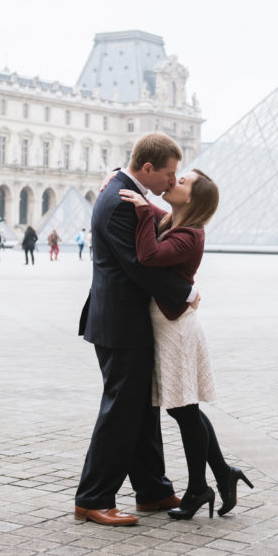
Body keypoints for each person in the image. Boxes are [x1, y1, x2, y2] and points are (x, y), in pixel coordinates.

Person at [74, 132, 198, 527]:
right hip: (120, 322)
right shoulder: (121, 201)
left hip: (125, 319)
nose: (171, 182)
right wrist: (188, 291)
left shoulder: (125, 190)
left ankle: (153, 490)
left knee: (142, 409)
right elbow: (141, 266)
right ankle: (93, 498)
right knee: (121, 412)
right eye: (169, 173)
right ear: (148, 168)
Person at [120, 168, 252, 520]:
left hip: (176, 329)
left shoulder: (190, 235)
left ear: (191, 199)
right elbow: (163, 217)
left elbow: (148, 256)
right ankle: (221, 474)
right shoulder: (177, 222)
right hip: (171, 323)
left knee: (183, 410)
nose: (173, 181)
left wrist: (144, 209)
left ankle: (199, 488)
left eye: (181, 182)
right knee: (184, 408)